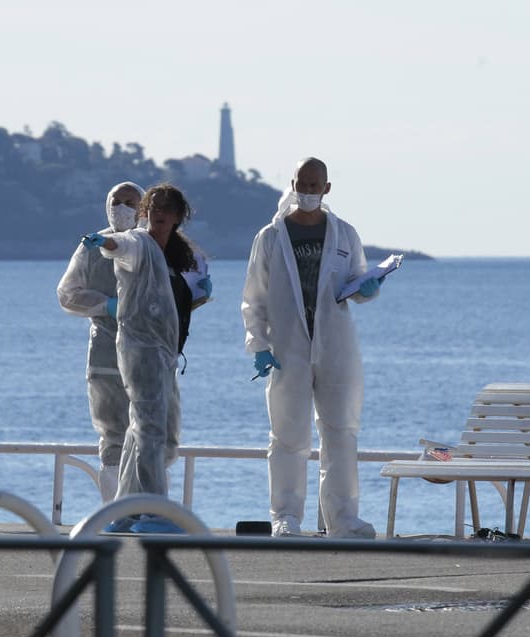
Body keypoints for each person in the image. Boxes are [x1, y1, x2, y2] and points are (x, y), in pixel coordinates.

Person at [240, 157, 382, 539]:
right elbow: (254, 296)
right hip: (287, 346)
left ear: (326, 189)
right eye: (301, 184)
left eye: (314, 186)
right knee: (288, 434)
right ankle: (285, 516)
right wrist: (259, 344)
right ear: (293, 183)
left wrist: (369, 289)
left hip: (336, 345)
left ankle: (344, 519)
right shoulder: (271, 236)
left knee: (341, 430)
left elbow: (357, 281)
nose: (306, 192)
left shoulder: (344, 234)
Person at [79, 183, 210, 533]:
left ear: (179, 216)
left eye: (166, 208)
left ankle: (124, 510)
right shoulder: (139, 242)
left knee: (151, 432)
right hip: (140, 349)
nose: (158, 213)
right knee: (149, 427)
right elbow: (119, 245)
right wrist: (104, 242)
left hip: (164, 353)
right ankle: (154, 510)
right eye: (153, 207)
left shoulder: (177, 256)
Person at [56, 181, 144, 503]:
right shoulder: (91, 246)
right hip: (105, 354)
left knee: (150, 434)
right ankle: (115, 508)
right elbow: (67, 294)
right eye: (117, 201)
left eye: (131, 202)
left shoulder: (150, 243)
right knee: (112, 436)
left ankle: (144, 506)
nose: (122, 208)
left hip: (147, 352)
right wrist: (107, 305)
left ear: (143, 207)